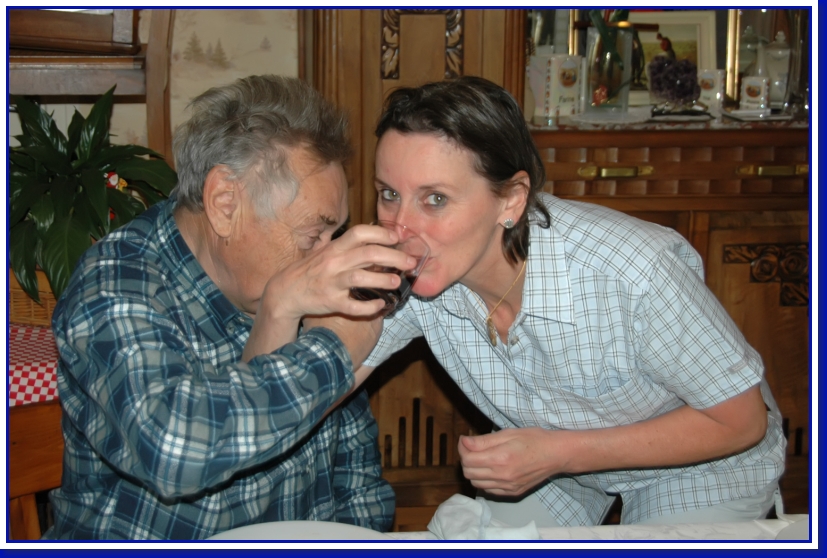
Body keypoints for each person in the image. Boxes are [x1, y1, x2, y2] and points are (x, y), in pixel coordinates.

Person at [358, 76, 786, 527]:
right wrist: (312, 295)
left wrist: (559, 453)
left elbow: (741, 421)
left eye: (435, 199)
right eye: (389, 194)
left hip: (702, 461)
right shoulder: (413, 271)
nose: (401, 228)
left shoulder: (634, 270)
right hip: (554, 458)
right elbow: (334, 369)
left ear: (511, 200)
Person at [45, 75, 417, 539]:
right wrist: (334, 350)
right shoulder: (115, 284)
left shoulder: (290, 285)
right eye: (313, 235)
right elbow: (175, 450)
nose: (327, 257)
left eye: (334, 233)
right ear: (225, 203)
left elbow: (355, 473)